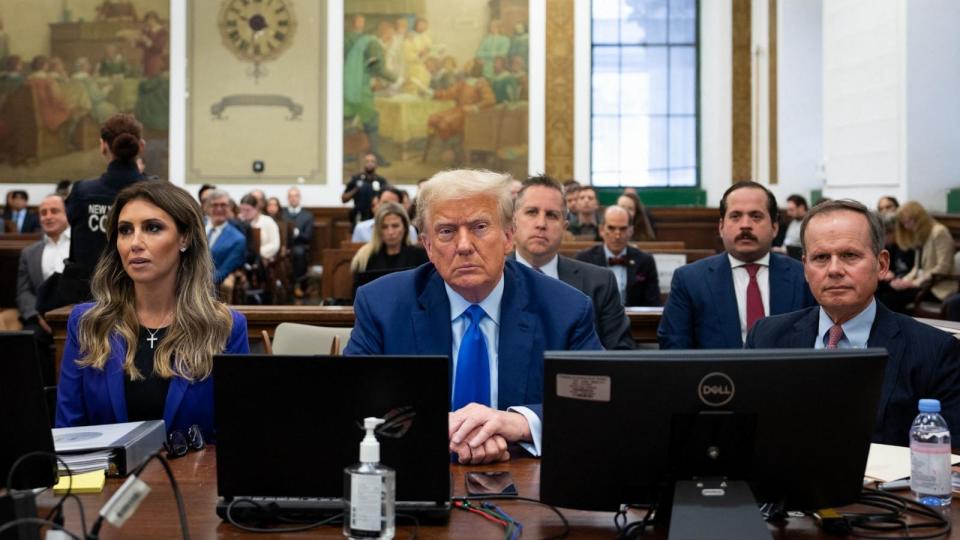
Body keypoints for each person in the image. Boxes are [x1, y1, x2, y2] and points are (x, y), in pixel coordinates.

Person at [344, 169, 602, 464]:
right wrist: (435, 426)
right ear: (428, 246)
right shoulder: (382, 305)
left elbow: (598, 402)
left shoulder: (565, 309)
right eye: (446, 231)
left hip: (527, 482)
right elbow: (352, 402)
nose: (464, 246)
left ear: (508, 237)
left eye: (479, 227)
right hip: (417, 474)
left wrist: (520, 423)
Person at [746, 199, 960, 446]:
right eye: (821, 257)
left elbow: (947, 458)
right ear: (805, 268)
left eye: (849, 255)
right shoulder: (766, 338)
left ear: (881, 264)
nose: (834, 269)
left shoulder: (934, 351)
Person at [56, 182, 248, 440]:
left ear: (185, 237)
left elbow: (235, 434)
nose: (135, 243)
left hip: (191, 478)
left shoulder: (225, 326)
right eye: (125, 230)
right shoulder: (87, 322)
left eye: (152, 228)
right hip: (107, 479)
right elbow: (68, 431)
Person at [658, 181, 815, 349]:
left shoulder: (803, 276)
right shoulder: (689, 280)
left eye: (756, 216)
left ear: (774, 227)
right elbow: (674, 347)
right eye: (735, 216)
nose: (745, 225)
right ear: (721, 227)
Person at [512, 176, 634, 349]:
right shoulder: (490, 277)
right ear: (513, 220)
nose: (541, 223)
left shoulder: (600, 282)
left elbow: (619, 354)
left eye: (552, 215)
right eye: (532, 212)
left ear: (565, 226)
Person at [53, 114, 147, 306]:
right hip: (143, 296)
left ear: (103, 146)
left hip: (91, 299)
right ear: (141, 146)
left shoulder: (82, 192)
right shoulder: (159, 193)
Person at [17, 194, 70, 385]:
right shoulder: (29, 252)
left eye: (54, 211)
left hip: (75, 318)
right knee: (26, 340)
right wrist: (39, 316)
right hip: (39, 321)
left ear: (67, 214)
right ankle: (38, 399)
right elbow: (23, 292)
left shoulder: (79, 246)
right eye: (43, 213)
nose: (48, 216)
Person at [878, 201, 957, 313]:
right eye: (903, 223)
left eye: (908, 222)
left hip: (938, 287)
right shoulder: (921, 233)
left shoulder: (939, 232)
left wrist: (915, 283)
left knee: (892, 299)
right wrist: (903, 281)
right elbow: (917, 267)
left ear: (919, 218)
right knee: (889, 292)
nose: (906, 226)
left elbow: (943, 267)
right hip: (924, 284)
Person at [576, 206, 660, 307]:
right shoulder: (584, 259)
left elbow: (653, 302)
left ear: (631, 231)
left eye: (623, 229)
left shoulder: (645, 261)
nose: (617, 236)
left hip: (636, 321)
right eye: (611, 228)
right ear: (601, 230)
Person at [343, 14, 397, 166]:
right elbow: (377, 68)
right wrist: (397, 79)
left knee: (346, 119)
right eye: (389, 31)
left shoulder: (343, 38)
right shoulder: (370, 42)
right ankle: (374, 156)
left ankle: (346, 154)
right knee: (371, 121)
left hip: (342, 88)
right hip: (359, 88)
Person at [350, 202, 428, 290]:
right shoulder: (365, 258)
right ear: (378, 230)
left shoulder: (420, 256)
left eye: (395, 226)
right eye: (384, 227)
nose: (390, 232)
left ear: (405, 227)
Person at [204, 189, 245, 286]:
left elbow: (222, 272)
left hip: (209, 284)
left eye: (223, 205)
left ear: (230, 207)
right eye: (215, 205)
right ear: (207, 207)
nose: (219, 209)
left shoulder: (238, 239)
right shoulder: (195, 227)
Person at [352, 186, 418, 244]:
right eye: (385, 203)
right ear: (377, 203)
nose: (387, 208)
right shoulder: (361, 228)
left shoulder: (410, 230)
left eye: (393, 204)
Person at [342, 153, 388, 226]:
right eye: (367, 161)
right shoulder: (356, 179)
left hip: (375, 216)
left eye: (372, 161)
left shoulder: (381, 181)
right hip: (359, 215)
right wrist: (357, 188)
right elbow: (344, 199)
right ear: (363, 164)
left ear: (376, 164)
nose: (370, 163)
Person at [282, 187, 313, 290]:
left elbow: (308, 236)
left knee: (299, 253)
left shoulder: (307, 215)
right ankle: (282, 284)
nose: (293, 199)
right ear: (287, 198)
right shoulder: (282, 213)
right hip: (284, 244)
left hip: (299, 244)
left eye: (296, 196)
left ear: (299, 198)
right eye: (291, 196)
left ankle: (298, 283)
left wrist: (297, 234)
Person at [238, 194, 280, 261]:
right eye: (242, 210)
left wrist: (256, 253)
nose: (244, 213)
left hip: (262, 258)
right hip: (240, 257)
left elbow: (274, 245)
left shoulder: (268, 221)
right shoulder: (238, 221)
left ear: (256, 208)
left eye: (248, 210)